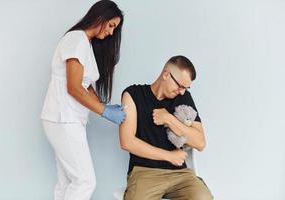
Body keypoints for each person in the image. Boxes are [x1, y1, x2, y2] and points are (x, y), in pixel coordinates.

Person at [40, 1, 125, 200]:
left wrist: (104, 106)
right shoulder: (77, 39)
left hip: (64, 118)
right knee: (85, 181)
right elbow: (74, 87)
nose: (112, 33)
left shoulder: (83, 43)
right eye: (111, 25)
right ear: (100, 17)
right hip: (63, 118)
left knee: (67, 183)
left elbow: (85, 85)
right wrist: (104, 112)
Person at [119, 55, 213, 200]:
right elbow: (127, 141)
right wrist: (169, 156)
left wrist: (169, 119)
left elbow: (200, 143)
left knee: (203, 197)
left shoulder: (184, 97)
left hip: (180, 175)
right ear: (166, 75)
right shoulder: (133, 94)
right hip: (145, 172)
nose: (182, 91)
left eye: (186, 88)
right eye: (180, 86)